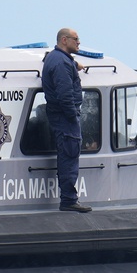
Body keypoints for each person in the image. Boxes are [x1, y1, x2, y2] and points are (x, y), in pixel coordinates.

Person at [42, 27, 92, 212]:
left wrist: (74, 63)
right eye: (76, 39)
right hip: (65, 117)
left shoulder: (56, 58)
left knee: (68, 154)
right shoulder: (62, 64)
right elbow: (65, 94)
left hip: (60, 115)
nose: (79, 42)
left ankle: (69, 199)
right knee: (69, 155)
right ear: (64, 40)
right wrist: (73, 116)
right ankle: (69, 200)